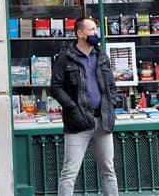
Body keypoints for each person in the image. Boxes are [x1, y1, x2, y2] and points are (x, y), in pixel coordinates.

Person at [50, 17, 118, 196]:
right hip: (78, 123)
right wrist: (72, 108)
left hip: (103, 121)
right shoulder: (64, 58)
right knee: (69, 173)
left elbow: (111, 86)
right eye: (92, 30)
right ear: (80, 33)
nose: (96, 33)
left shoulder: (101, 56)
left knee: (108, 171)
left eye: (96, 29)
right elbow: (56, 87)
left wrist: (111, 104)